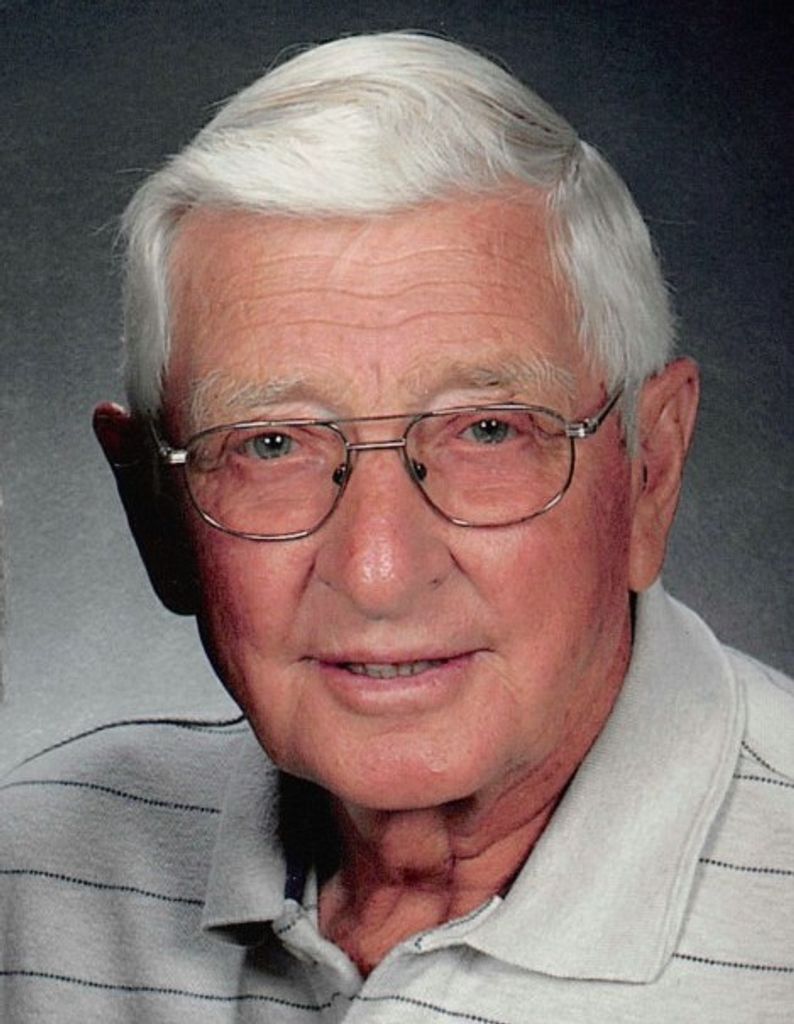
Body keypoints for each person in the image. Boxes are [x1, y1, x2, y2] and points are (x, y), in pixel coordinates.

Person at [1, 31, 791, 1022]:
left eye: (488, 430)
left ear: (649, 471)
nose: (377, 571)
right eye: (272, 444)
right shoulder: (31, 887)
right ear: (152, 514)